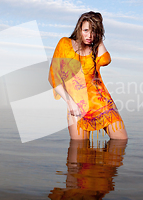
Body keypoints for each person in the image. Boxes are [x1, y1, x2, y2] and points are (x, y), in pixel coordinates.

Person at [49, 12, 128, 140]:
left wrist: (99, 37)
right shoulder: (65, 44)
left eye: (94, 31)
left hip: (103, 104)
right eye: (86, 30)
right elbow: (54, 77)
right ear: (79, 28)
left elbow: (106, 60)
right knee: (80, 151)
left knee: (121, 141)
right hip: (77, 105)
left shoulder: (95, 49)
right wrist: (70, 103)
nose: (89, 35)